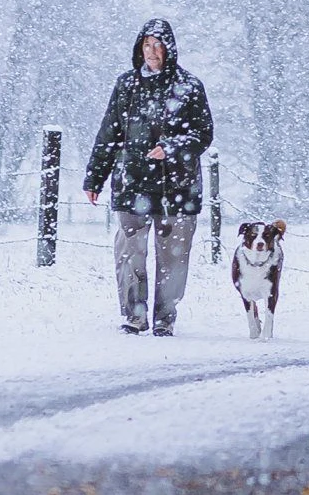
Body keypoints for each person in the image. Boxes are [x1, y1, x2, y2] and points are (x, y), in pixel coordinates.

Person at [83, 18, 213, 336]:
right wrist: (94, 176)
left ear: (169, 49)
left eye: (157, 45)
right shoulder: (126, 85)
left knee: (173, 259)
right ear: (139, 48)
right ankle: (134, 315)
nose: (152, 52)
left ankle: (165, 318)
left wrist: (172, 147)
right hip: (132, 183)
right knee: (129, 252)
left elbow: (203, 134)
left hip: (177, 188)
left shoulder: (189, 87)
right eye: (146, 45)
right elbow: (109, 133)